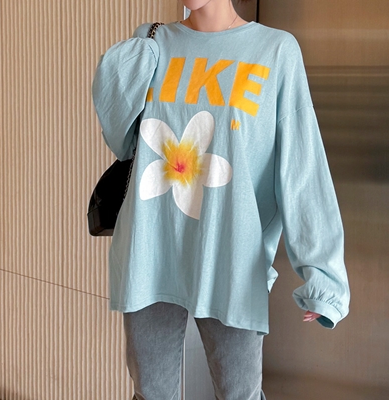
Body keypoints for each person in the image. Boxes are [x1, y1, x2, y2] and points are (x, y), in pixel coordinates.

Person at [92, 0, 350, 398]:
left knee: (239, 394)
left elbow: (303, 165)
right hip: (150, 250)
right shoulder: (151, 44)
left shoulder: (275, 50)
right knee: (150, 393)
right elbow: (121, 138)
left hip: (231, 257)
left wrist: (322, 274)